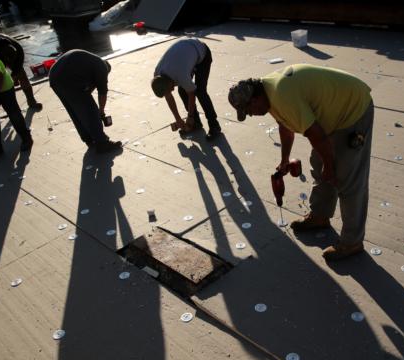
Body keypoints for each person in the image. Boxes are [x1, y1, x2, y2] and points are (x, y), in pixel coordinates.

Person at [228, 64, 374, 261]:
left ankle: (352, 243)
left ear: (255, 99)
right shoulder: (267, 92)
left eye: (249, 110)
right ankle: (320, 216)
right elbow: (285, 126)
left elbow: (318, 137)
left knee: (347, 178)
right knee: (319, 164)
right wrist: (284, 159)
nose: (251, 115)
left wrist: (330, 167)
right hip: (332, 112)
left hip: (352, 108)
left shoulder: (281, 96)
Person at [48, 49, 121, 154]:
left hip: (54, 77)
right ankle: (102, 143)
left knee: (74, 111)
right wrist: (101, 111)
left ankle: (88, 139)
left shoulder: (89, 63)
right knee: (91, 111)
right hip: (68, 78)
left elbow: (86, 91)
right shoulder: (102, 69)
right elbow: (102, 93)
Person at [151, 38, 222, 141]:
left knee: (200, 91)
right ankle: (196, 123)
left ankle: (214, 125)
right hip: (186, 52)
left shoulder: (181, 74)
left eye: (171, 89)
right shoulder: (158, 74)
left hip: (202, 54)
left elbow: (191, 93)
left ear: (170, 81)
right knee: (182, 90)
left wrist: (190, 116)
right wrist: (178, 119)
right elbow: (169, 98)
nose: (172, 91)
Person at [0, 32, 42, 110]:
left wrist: (15, 76)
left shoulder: (18, 50)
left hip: (6, 52)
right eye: (8, 61)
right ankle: (11, 107)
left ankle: (31, 101)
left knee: (22, 75)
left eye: (11, 60)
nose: (9, 63)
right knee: (1, 81)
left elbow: (18, 67)